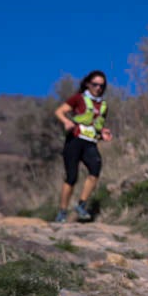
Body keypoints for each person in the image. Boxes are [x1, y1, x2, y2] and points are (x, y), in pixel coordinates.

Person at [53, 70, 113, 223]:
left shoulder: (103, 105)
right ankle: (62, 211)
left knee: (95, 169)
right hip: (74, 141)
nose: (98, 88)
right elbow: (59, 111)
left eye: (101, 85)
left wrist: (103, 133)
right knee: (72, 177)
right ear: (88, 84)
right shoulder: (78, 98)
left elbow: (98, 126)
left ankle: (81, 205)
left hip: (90, 143)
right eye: (95, 84)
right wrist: (66, 121)